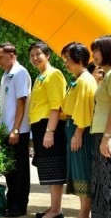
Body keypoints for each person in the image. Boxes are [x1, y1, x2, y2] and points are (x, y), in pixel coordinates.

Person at [28, 41, 67, 218]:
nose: (35, 58)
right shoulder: (40, 76)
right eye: (32, 55)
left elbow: (56, 106)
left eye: (38, 54)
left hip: (49, 126)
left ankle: (56, 210)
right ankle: (53, 208)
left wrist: (50, 131)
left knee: (55, 166)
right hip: (39, 126)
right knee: (48, 168)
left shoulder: (54, 74)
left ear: (48, 55)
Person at [60, 42, 96, 218]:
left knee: (84, 174)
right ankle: (83, 212)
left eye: (68, 59)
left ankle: (83, 214)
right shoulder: (77, 80)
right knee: (78, 173)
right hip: (73, 127)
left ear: (78, 59)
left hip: (80, 129)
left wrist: (77, 134)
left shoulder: (85, 80)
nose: (65, 62)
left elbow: (84, 109)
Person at [0, 42, 31, 217]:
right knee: (9, 170)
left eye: (0, 57)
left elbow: (21, 101)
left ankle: (20, 206)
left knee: (20, 171)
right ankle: (12, 203)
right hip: (6, 128)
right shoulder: (5, 74)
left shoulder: (20, 72)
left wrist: (16, 129)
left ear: (12, 55)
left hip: (18, 131)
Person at [89, 35, 111, 218]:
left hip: (106, 135)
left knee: (107, 185)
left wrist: (107, 137)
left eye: (96, 50)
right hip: (98, 134)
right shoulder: (106, 75)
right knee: (98, 184)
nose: (93, 55)